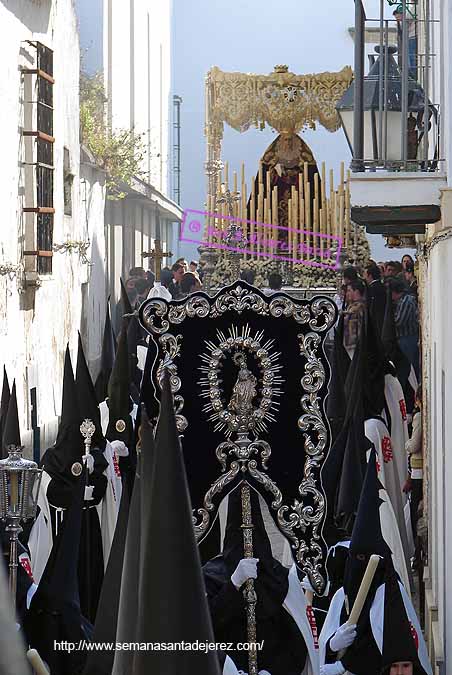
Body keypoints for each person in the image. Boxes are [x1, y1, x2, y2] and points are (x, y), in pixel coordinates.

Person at [203, 486, 317, 675]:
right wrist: (233, 586)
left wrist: (275, 672)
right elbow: (202, 631)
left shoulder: (279, 577)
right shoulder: (210, 575)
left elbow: (296, 641)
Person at [390, 278, 420, 380]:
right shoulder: (402, 301)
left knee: (411, 368)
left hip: (408, 338)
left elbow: (399, 321)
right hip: (404, 338)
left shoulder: (407, 301)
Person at [404, 386, 423, 543]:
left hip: (418, 470)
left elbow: (414, 445)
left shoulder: (418, 417)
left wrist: (406, 444)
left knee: (415, 511)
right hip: (419, 470)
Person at [342, 279, 366, 358]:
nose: (347, 293)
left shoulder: (358, 307)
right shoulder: (352, 306)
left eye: (349, 290)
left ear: (356, 291)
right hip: (349, 343)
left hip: (355, 344)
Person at [364, 264, 386, 334]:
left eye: (365, 275)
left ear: (370, 276)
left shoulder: (371, 289)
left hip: (375, 322)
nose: (364, 278)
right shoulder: (383, 286)